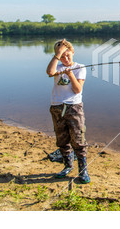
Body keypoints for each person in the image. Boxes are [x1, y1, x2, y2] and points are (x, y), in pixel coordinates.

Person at [46, 39, 90, 184]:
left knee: (78, 140)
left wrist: (70, 74)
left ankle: (83, 171)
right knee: (62, 139)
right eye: (62, 56)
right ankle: (67, 166)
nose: (65, 58)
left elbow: (77, 89)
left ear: (73, 53)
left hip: (74, 107)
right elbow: (50, 72)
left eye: (67, 55)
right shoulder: (57, 66)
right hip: (57, 106)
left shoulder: (80, 67)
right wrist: (58, 53)